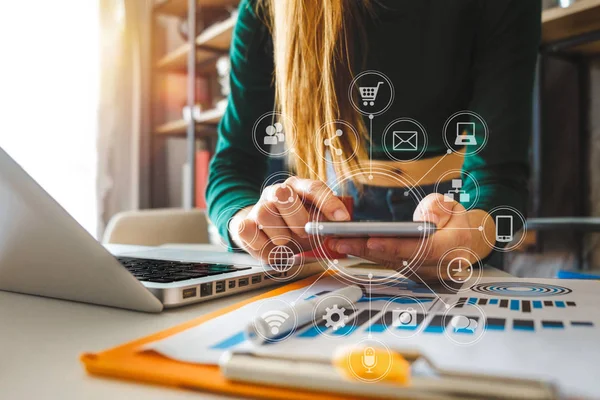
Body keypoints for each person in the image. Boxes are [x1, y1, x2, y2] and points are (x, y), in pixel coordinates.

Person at [206, 0, 541, 273]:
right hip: (336, 210)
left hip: (460, 211)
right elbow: (232, 164)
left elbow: (500, 169)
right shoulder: (266, 8)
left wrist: (473, 233)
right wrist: (245, 222)